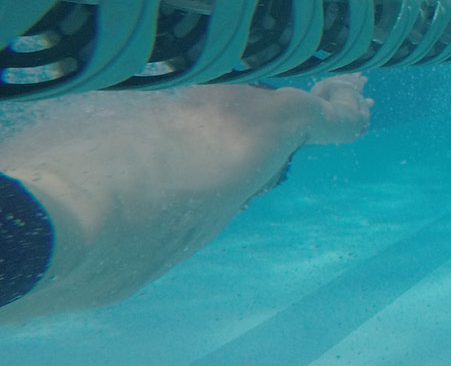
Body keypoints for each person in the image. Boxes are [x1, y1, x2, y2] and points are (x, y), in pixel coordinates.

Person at [0, 73, 372, 324]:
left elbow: (350, 121)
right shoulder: (128, 277)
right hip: (34, 252)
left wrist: (341, 84)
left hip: (32, 223)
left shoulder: (257, 117)